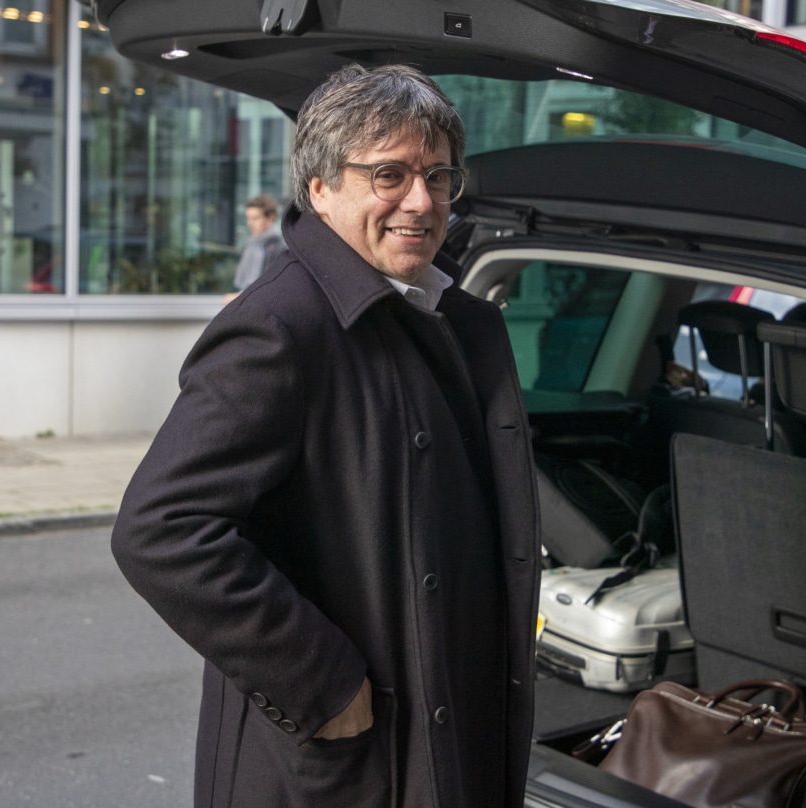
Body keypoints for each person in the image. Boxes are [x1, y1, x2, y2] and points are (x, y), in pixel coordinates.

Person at [111, 63, 541, 808]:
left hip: (448, 723)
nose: (421, 201)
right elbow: (160, 530)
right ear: (319, 188)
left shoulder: (445, 315)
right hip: (349, 754)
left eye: (439, 177)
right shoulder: (279, 325)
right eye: (389, 175)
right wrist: (322, 682)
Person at [231, 193, 285, 295]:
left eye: (255, 218)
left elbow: (272, 287)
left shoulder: (280, 246)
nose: (249, 223)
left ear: (271, 218)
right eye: (248, 218)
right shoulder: (253, 244)